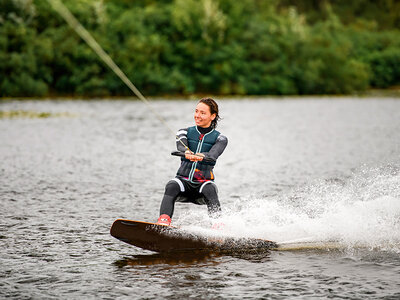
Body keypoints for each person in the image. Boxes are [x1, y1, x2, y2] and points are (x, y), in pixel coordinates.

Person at [157, 98, 228, 226]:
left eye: (202, 113)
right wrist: (187, 152)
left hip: (202, 185)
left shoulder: (220, 138)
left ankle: (218, 226)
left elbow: (213, 155)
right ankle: (163, 222)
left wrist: (201, 156)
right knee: (171, 185)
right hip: (183, 183)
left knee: (211, 189)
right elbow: (180, 146)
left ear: (212, 116)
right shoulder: (183, 132)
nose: (197, 115)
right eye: (196, 111)